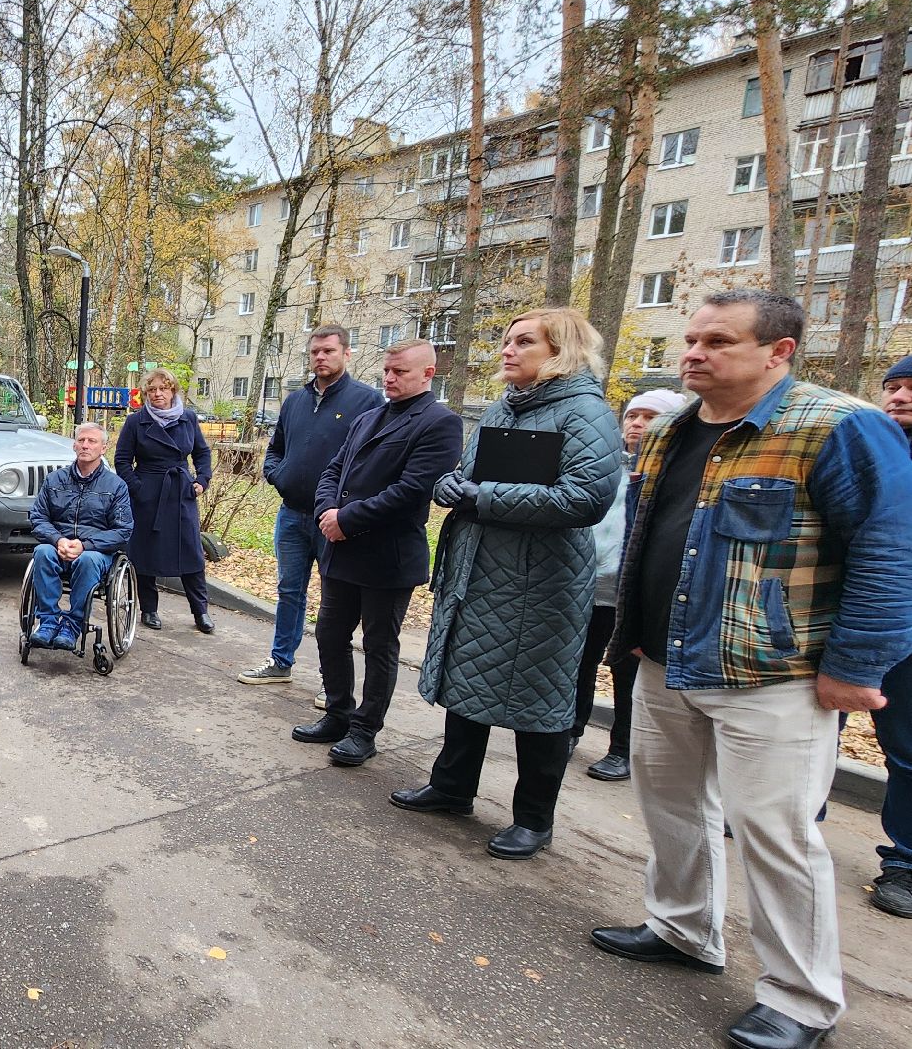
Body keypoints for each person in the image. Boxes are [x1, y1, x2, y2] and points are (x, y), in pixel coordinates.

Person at [591, 292, 912, 1049]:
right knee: (670, 806)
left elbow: (890, 550)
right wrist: (635, 631)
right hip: (668, 661)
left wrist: (855, 666)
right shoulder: (673, 428)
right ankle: (684, 932)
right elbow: (650, 534)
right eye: (691, 339)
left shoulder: (839, 427)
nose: (695, 353)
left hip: (777, 675)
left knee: (775, 834)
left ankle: (801, 1000)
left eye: (719, 341)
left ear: (780, 351)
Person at [390, 308, 622, 862]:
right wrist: (453, 485)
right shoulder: (503, 407)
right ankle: (452, 787)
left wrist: (480, 496)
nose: (507, 351)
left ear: (559, 349)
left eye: (523, 342)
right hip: (482, 571)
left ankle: (533, 819)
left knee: (540, 701)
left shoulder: (585, 413)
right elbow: (470, 475)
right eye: (505, 341)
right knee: (468, 680)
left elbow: (585, 499)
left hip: (543, 584)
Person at [292, 339, 462, 766]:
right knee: (330, 634)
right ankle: (337, 713)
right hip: (340, 551)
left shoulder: (440, 423)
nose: (389, 378)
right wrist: (327, 511)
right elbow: (334, 469)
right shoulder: (368, 417)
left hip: (387, 556)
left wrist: (347, 519)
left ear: (428, 373)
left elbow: (412, 490)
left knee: (379, 644)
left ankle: (365, 730)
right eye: (387, 370)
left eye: (400, 372)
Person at [239, 327, 382, 686]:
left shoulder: (367, 401)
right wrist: (278, 474)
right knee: (289, 590)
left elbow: (372, 461)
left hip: (334, 519)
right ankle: (280, 661)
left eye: (329, 351)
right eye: (315, 351)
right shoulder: (294, 400)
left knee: (336, 600)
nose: (321, 357)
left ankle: (330, 679)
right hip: (291, 514)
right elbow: (276, 448)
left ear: (346, 354)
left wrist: (345, 507)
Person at [583, 388, 687, 782]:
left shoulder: (672, 476)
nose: (637, 425)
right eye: (632, 416)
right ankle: (570, 731)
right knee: (580, 665)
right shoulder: (608, 467)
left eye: (649, 417)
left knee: (628, 674)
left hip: (636, 595)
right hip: (592, 586)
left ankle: (622, 750)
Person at [114, 369, 214, 634]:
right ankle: (149, 609)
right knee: (146, 553)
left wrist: (201, 480)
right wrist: (138, 488)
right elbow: (122, 460)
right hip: (149, 495)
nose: (158, 394)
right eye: (152, 390)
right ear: (146, 393)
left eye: (163, 388)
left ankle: (200, 611)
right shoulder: (136, 422)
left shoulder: (188, 418)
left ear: (173, 391)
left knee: (191, 553)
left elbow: (202, 453)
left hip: (181, 491)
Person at [27, 423, 133, 652]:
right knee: (42, 552)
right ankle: (47, 622)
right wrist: (58, 540)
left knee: (88, 559)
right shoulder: (55, 480)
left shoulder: (116, 486)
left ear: (104, 448)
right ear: (74, 445)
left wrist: (84, 546)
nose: (85, 445)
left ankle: (73, 625)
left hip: (95, 553)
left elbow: (123, 530)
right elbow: (38, 517)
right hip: (59, 547)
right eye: (81, 440)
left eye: (92, 441)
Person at [876, 353, 912, 918]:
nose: (899, 397)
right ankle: (798, 819)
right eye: (893, 387)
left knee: (907, 748)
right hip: (846, 620)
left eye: (911, 389)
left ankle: (905, 860)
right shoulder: (870, 451)